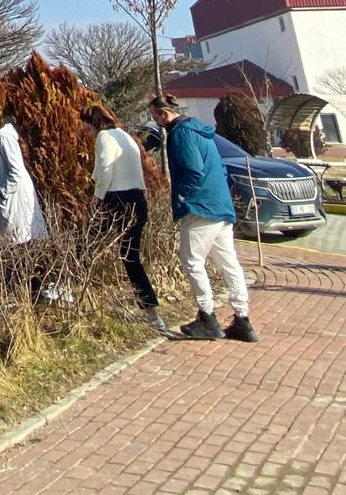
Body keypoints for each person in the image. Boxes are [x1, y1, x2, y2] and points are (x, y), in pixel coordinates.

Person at [148, 94, 257, 341]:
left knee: (192, 260)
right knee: (228, 262)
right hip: (220, 206)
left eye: (155, 117)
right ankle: (243, 318)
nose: (155, 122)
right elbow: (218, 168)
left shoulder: (181, 134)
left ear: (164, 115)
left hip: (200, 207)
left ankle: (207, 316)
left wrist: (182, 197)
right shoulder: (201, 132)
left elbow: (193, 171)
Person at [79, 103, 165, 330]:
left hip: (116, 200)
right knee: (131, 257)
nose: (86, 133)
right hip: (137, 200)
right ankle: (151, 312)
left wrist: (97, 197)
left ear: (92, 123)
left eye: (85, 127)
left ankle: (70, 288)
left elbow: (106, 169)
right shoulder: (126, 137)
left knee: (86, 243)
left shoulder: (104, 137)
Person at [0, 103, 47, 246]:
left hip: (13, 197)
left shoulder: (4, 138)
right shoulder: (0, 138)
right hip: (11, 197)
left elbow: (16, 169)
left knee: (21, 240)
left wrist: (2, 192)